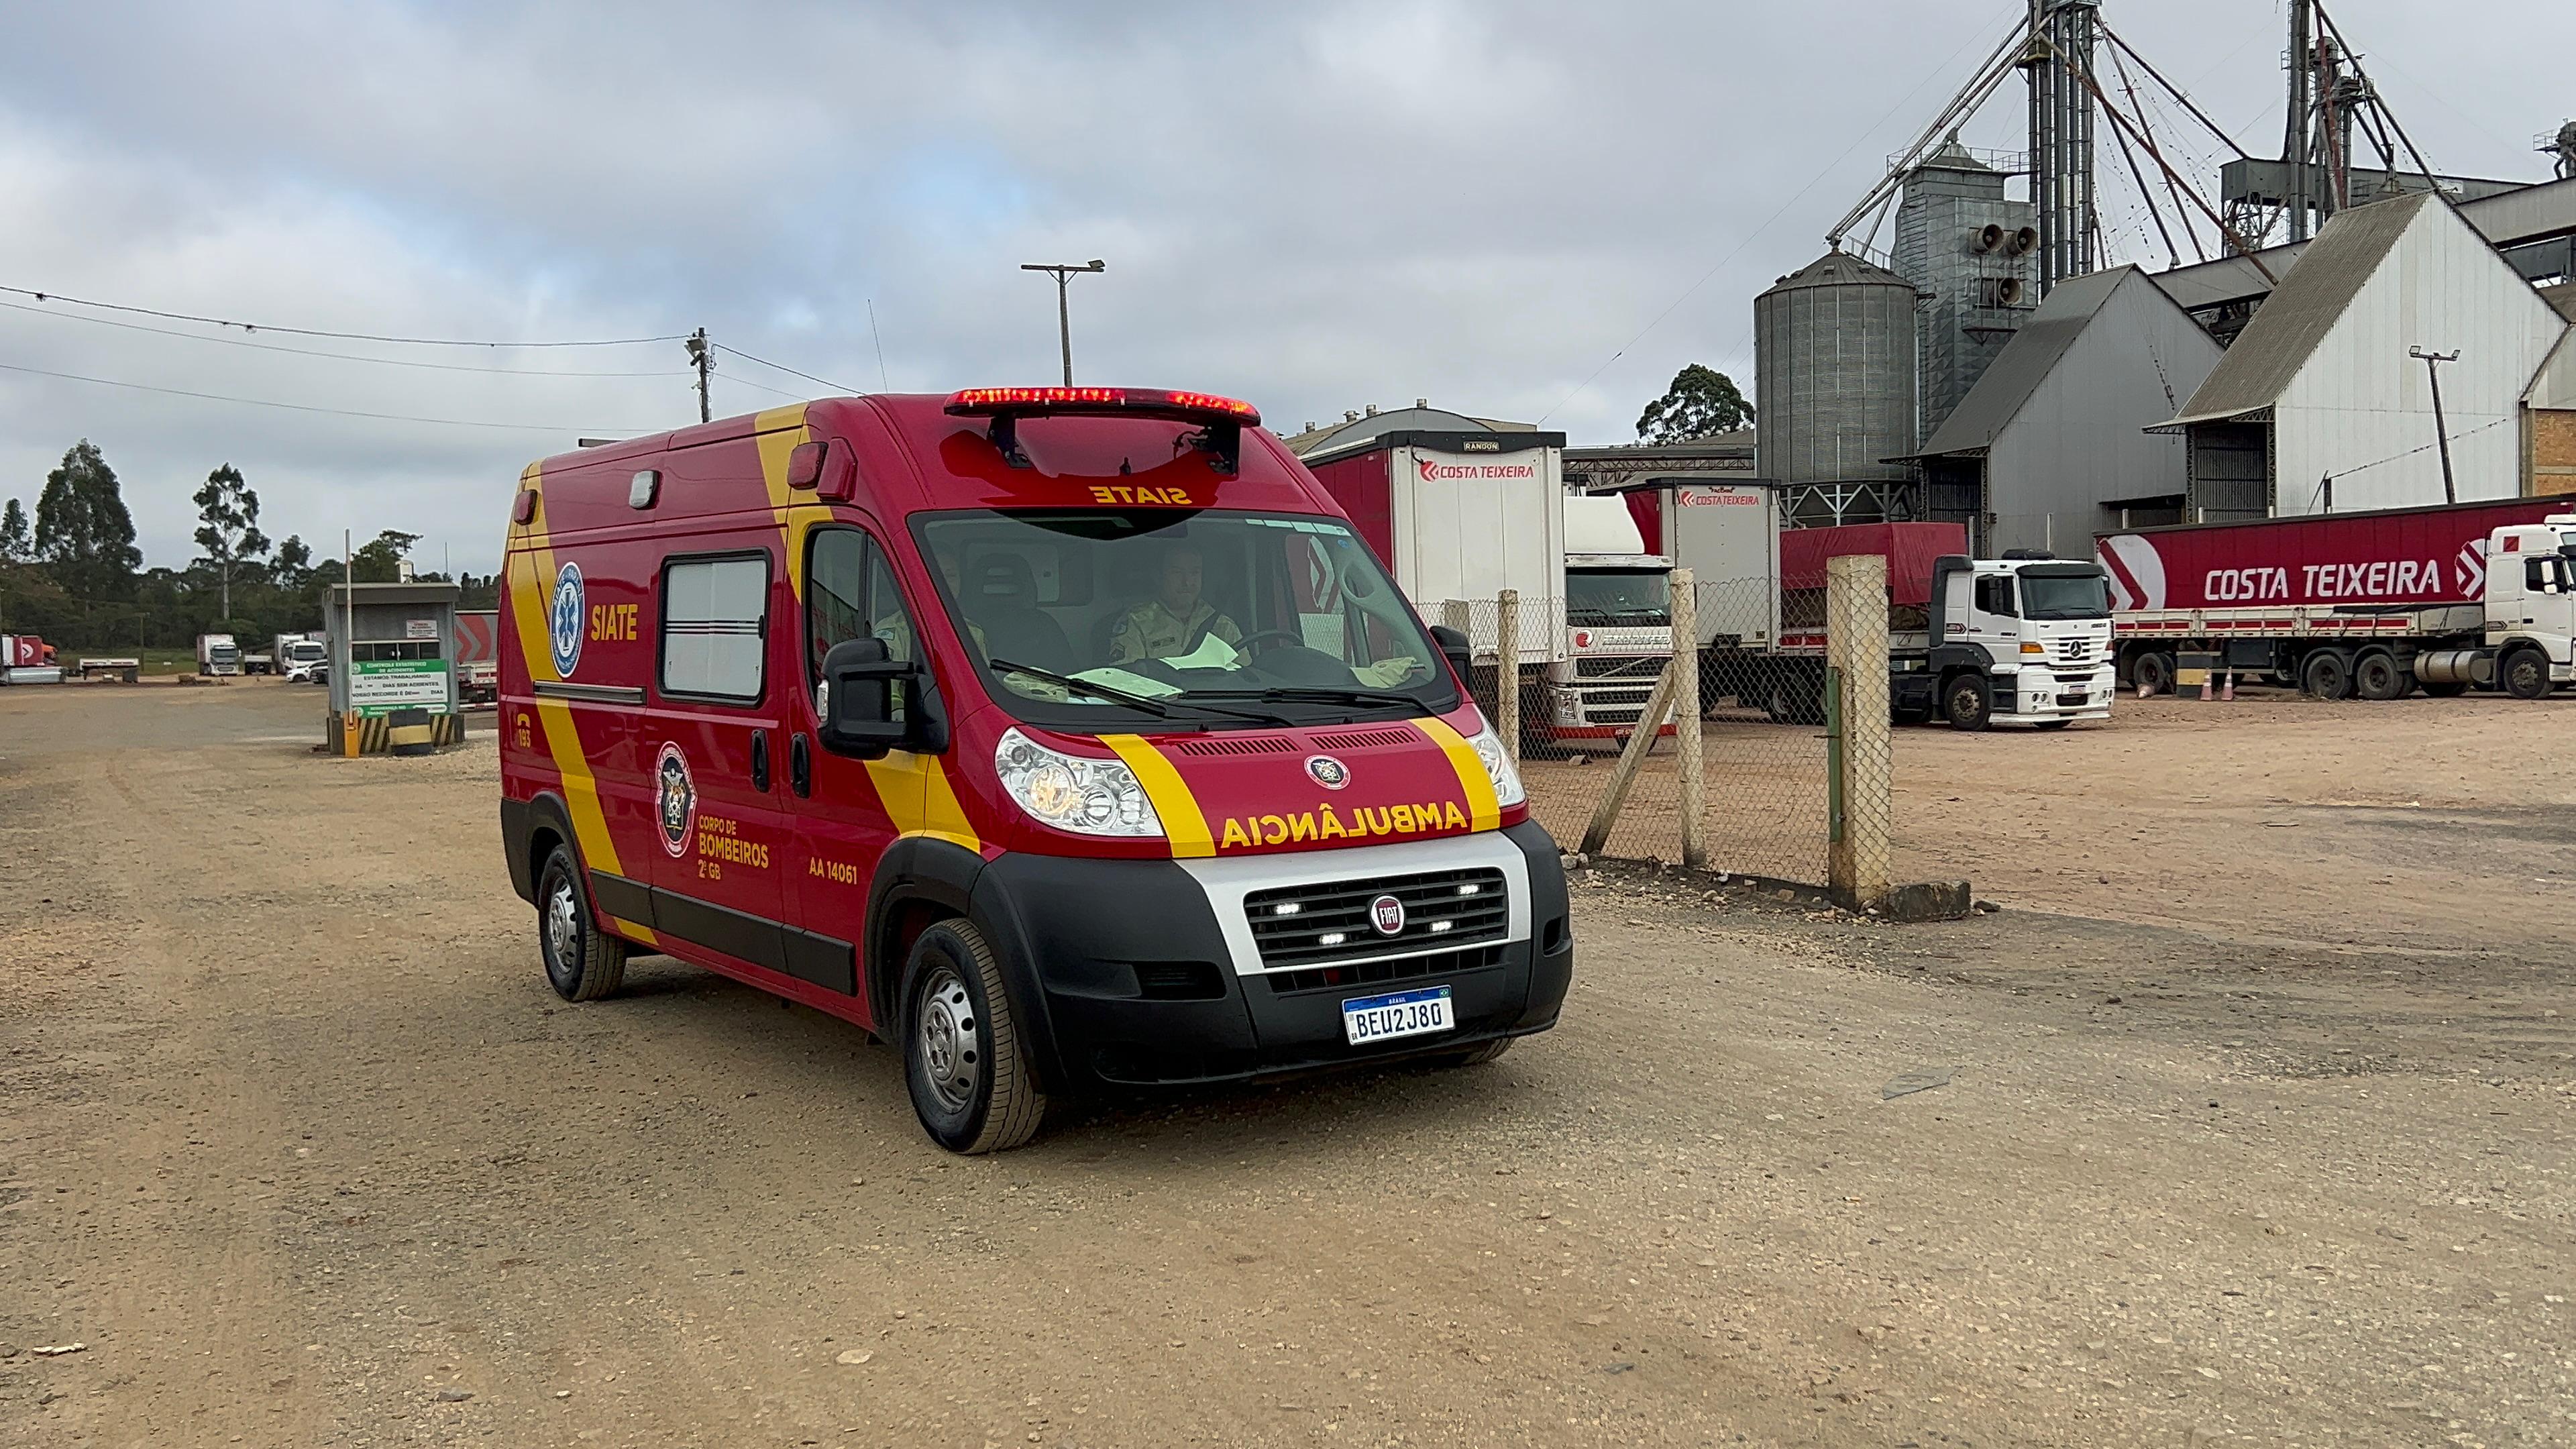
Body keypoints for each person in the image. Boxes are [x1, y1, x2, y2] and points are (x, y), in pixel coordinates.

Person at [1108, 544, 1240, 663]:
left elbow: (1248, 676)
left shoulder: (1222, 625)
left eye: (1195, 573)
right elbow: (1127, 680)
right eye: (1177, 573)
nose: (1187, 582)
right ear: (1158, 577)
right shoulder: (1137, 622)